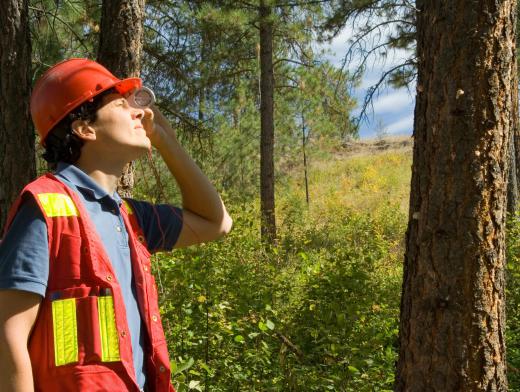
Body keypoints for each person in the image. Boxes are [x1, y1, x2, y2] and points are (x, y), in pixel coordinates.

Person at [0, 58, 232, 392]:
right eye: (123, 106)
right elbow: (8, 336)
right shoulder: (46, 206)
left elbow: (217, 223)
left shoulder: (129, 217)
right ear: (84, 128)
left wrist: (166, 141)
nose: (140, 113)